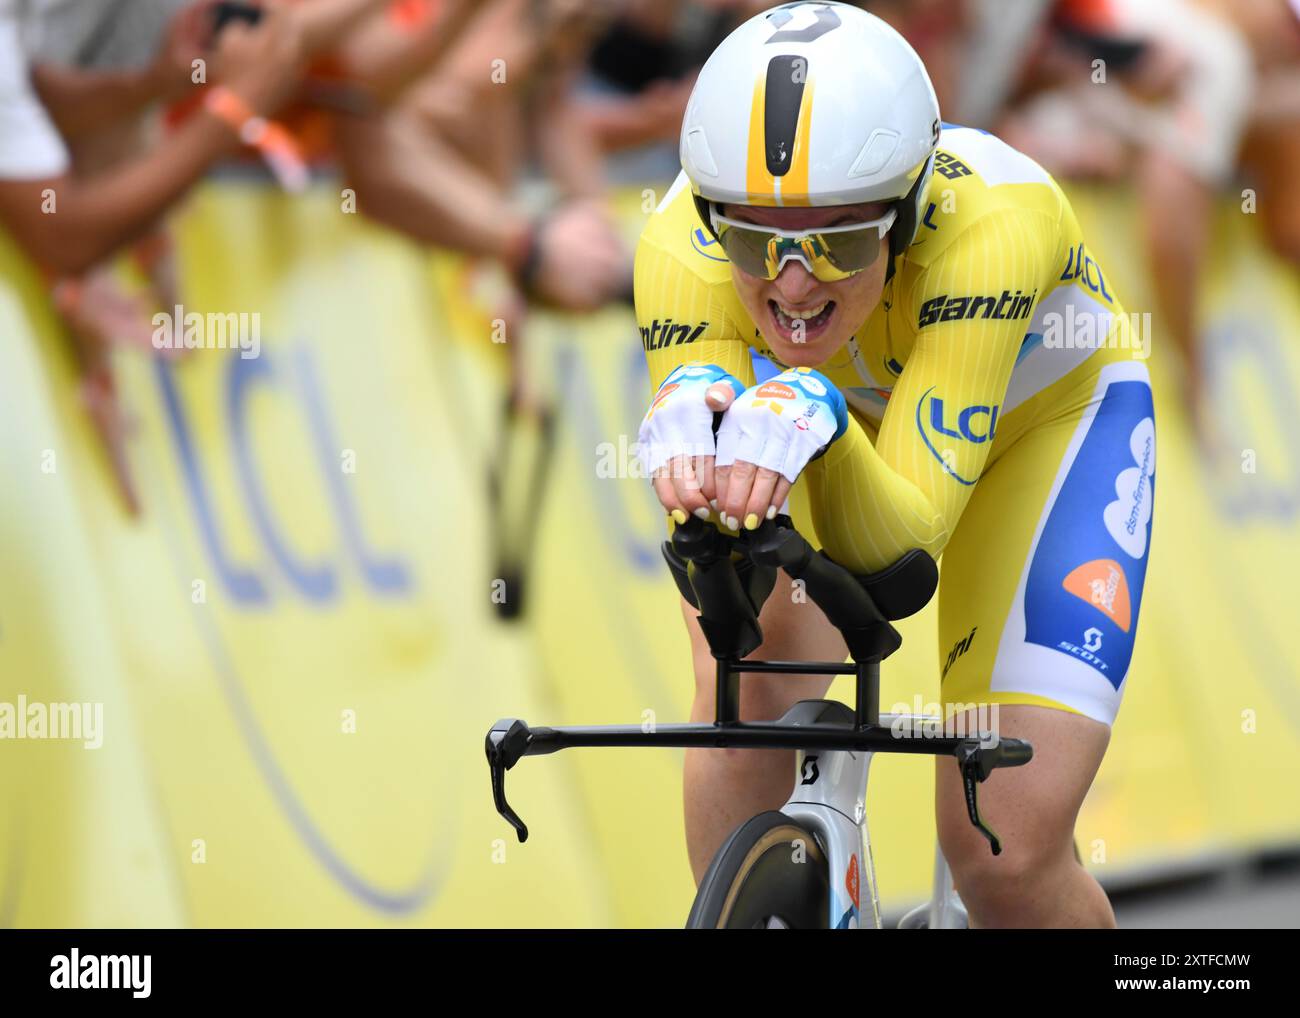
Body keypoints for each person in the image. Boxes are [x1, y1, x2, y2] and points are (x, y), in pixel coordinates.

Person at [634, 1, 1155, 928]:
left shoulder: (993, 225)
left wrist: (822, 419)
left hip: (1043, 433)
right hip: (848, 423)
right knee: (737, 682)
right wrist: (698, 486)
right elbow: (722, 552)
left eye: (835, 238)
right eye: (757, 241)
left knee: (1003, 846)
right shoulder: (680, 243)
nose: (793, 283)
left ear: (909, 206)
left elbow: (897, 560)